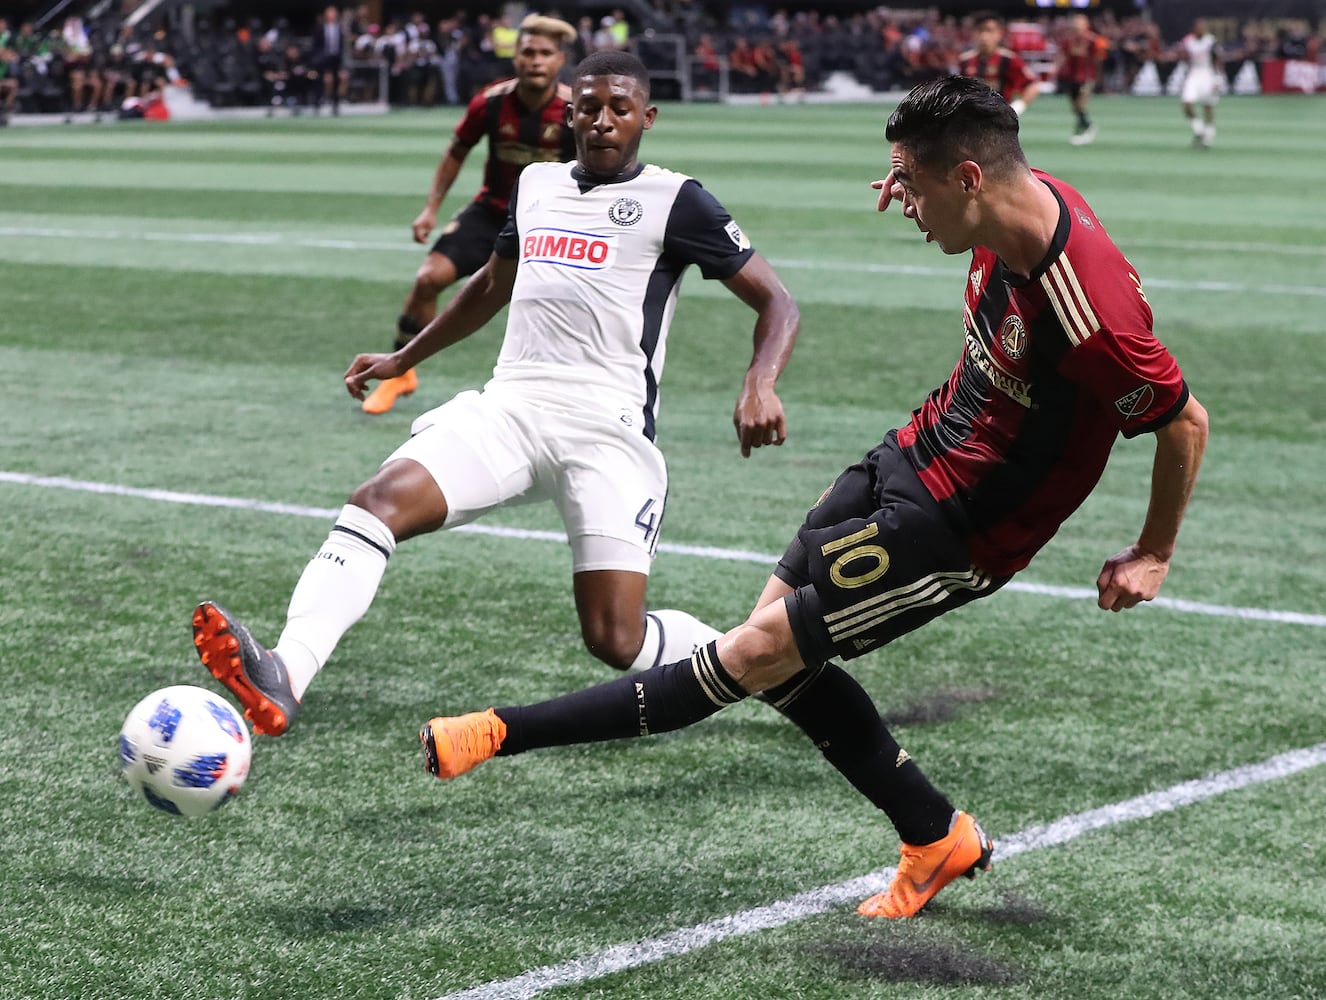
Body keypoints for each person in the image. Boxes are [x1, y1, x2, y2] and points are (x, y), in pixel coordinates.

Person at [418, 75, 1209, 921]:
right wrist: (917, 175)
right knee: (782, 660)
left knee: (750, 656)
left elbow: (1183, 422)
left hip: (962, 526)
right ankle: (936, 834)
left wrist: (1153, 550)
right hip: (915, 451)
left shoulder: (1087, 309)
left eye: (911, 183)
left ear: (969, 182)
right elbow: (981, 160)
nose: (900, 203)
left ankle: (501, 731)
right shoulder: (1015, 195)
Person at [191, 49, 801, 740]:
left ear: (646, 118)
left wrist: (760, 382)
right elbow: (488, 287)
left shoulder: (678, 199)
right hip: (510, 409)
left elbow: (777, 302)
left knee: (614, 638)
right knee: (377, 502)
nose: (603, 121)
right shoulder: (536, 183)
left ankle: (760, 660)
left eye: (620, 109)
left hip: (607, 431)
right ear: (569, 113)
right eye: (589, 107)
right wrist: (403, 356)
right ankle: (286, 672)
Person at [361, 14, 578, 415]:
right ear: (515, 57)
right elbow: (456, 151)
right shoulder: (492, 102)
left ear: (560, 60)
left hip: (547, 225)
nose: (535, 61)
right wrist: (430, 209)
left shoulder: (572, 111)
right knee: (428, 279)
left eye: (545, 54)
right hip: (492, 213)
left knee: (559, 312)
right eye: (527, 52)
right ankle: (400, 374)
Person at [958, 12, 1039, 117]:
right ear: (974, 33)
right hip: (972, 120)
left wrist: (1018, 106)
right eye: (980, 31)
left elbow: (1033, 86)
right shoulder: (965, 60)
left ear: (999, 34)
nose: (984, 36)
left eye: (990, 31)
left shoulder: (1008, 59)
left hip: (999, 120)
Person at [1056, 13, 1102, 144]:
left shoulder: (1092, 40)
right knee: (1075, 106)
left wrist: (1098, 76)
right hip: (1071, 76)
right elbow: (1062, 55)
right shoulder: (1068, 39)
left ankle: (1088, 127)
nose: (1077, 25)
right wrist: (1057, 68)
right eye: (1075, 22)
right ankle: (1081, 127)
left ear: (1086, 24)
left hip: (1087, 76)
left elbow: (1098, 59)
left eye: (1080, 22)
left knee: (1081, 103)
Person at [1177, 18, 1222, 148]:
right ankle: (1198, 129)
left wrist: (1218, 78)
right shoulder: (1188, 41)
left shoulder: (1211, 41)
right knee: (1187, 104)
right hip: (1194, 73)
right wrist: (1183, 75)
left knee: (1207, 106)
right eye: (1199, 27)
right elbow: (1184, 58)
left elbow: (1218, 59)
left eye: (1203, 27)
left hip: (1208, 73)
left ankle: (1209, 136)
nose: (1201, 29)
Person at [310, 5, 348, 115]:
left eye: (333, 14)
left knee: (337, 80)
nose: (332, 16)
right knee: (319, 80)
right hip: (322, 58)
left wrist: (341, 57)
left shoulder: (340, 28)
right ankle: (317, 103)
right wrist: (317, 56)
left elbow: (342, 45)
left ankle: (335, 105)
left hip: (336, 57)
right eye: (330, 14)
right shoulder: (319, 27)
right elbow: (315, 44)